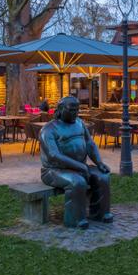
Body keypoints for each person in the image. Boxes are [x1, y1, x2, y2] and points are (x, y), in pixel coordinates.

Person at [39, 96, 113, 229]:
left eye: (77, 110)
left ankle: (100, 213)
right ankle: (75, 219)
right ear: (60, 109)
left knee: (103, 177)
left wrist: (99, 163)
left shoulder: (80, 123)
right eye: (71, 110)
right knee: (77, 182)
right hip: (53, 170)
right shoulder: (48, 130)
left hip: (79, 167)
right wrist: (80, 166)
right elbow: (53, 155)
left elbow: (90, 144)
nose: (75, 113)